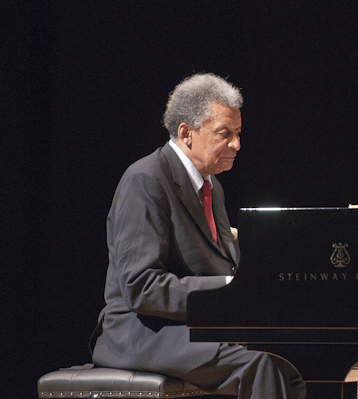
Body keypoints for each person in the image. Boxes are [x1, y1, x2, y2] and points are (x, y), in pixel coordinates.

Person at [91, 73, 306, 399]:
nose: (236, 144)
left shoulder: (211, 185)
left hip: (196, 325)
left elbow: (221, 267)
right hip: (142, 332)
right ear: (186, 133)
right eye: (225, 134)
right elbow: (141, 288)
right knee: (262, 363)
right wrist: (229, 289)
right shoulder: (145, 180)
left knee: (291, 356)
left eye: (238, 133)